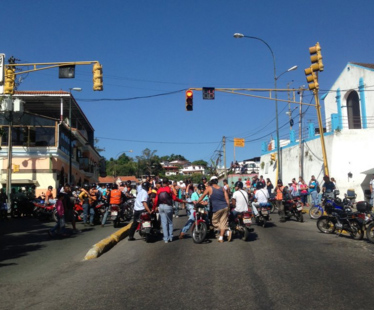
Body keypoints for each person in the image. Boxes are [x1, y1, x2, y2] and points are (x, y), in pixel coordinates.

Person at [196, 176, 231, 243]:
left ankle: (226, 232)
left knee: (214, 222)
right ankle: (222, 237)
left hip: (217, 208)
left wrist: (197, 202)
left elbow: (202, 196)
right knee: (223, 222)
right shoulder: (222, 188)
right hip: (225, 207)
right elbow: (227, 198)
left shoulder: (209, 188)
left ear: (211, 182)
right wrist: (228, 207)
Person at [154, 179, 184, 243]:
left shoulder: (159, 190)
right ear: (167, 183)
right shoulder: (169, 189)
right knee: (170, 222)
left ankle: (166, 239)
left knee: (164, 223)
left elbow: (156, 200)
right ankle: (170, 237)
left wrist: (154, 207)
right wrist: (181, 201)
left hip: (161, 206)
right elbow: (174, 198)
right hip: (168, 206)